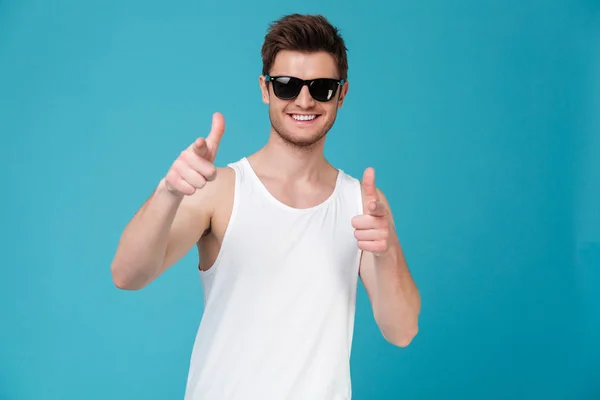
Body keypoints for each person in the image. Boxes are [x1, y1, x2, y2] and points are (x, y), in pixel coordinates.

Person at [110, 13, 421, 400]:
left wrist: (387, 250)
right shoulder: (220, 190)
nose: (304, 100)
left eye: (321, 88)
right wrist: (169, 194)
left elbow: (403, 330)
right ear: (265, 89)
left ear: (341, 94)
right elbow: (127, 274)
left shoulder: (362, 204)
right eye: (287, 86)